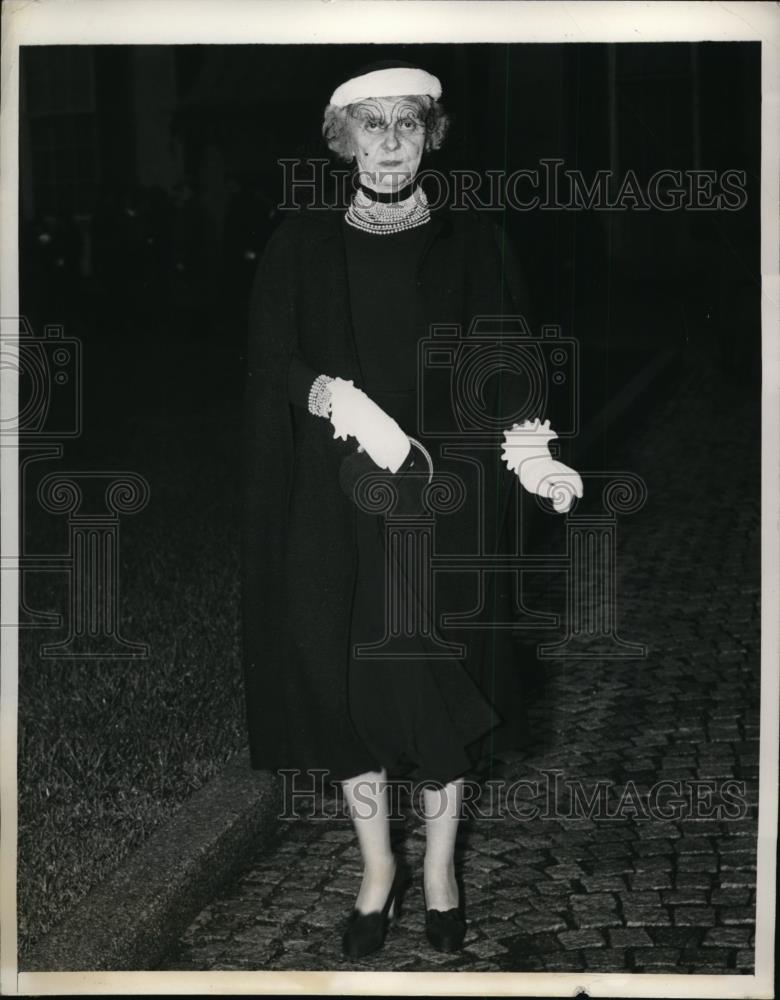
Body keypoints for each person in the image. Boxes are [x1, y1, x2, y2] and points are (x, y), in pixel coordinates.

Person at [241, 59, 582, 959]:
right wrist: (335, 399)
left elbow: (504, 361)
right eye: (371, 122)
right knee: (343, 681)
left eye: (407, 122)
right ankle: (376, 868)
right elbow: (269, 363)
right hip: (336, 504)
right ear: (341, 137)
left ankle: (439, 870)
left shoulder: (472, 238)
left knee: (438, 678)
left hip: (445, 497)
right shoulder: (300, 243)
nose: (390, 139)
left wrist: (533, 455)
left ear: (430, 134)